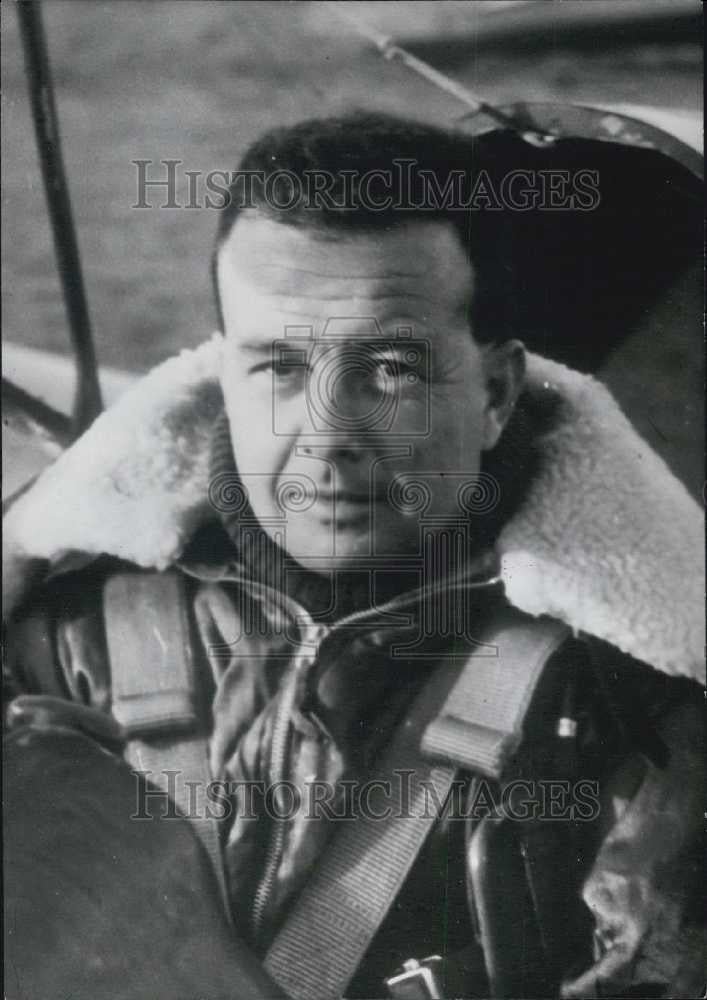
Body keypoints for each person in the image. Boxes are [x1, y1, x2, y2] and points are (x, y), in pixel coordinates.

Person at [3, 113, 704, 999]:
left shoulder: (631, 716)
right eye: (279, 368)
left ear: (493, 392)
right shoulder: (56, 643)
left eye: (388, 370)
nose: (327, 439)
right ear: (223, 374)